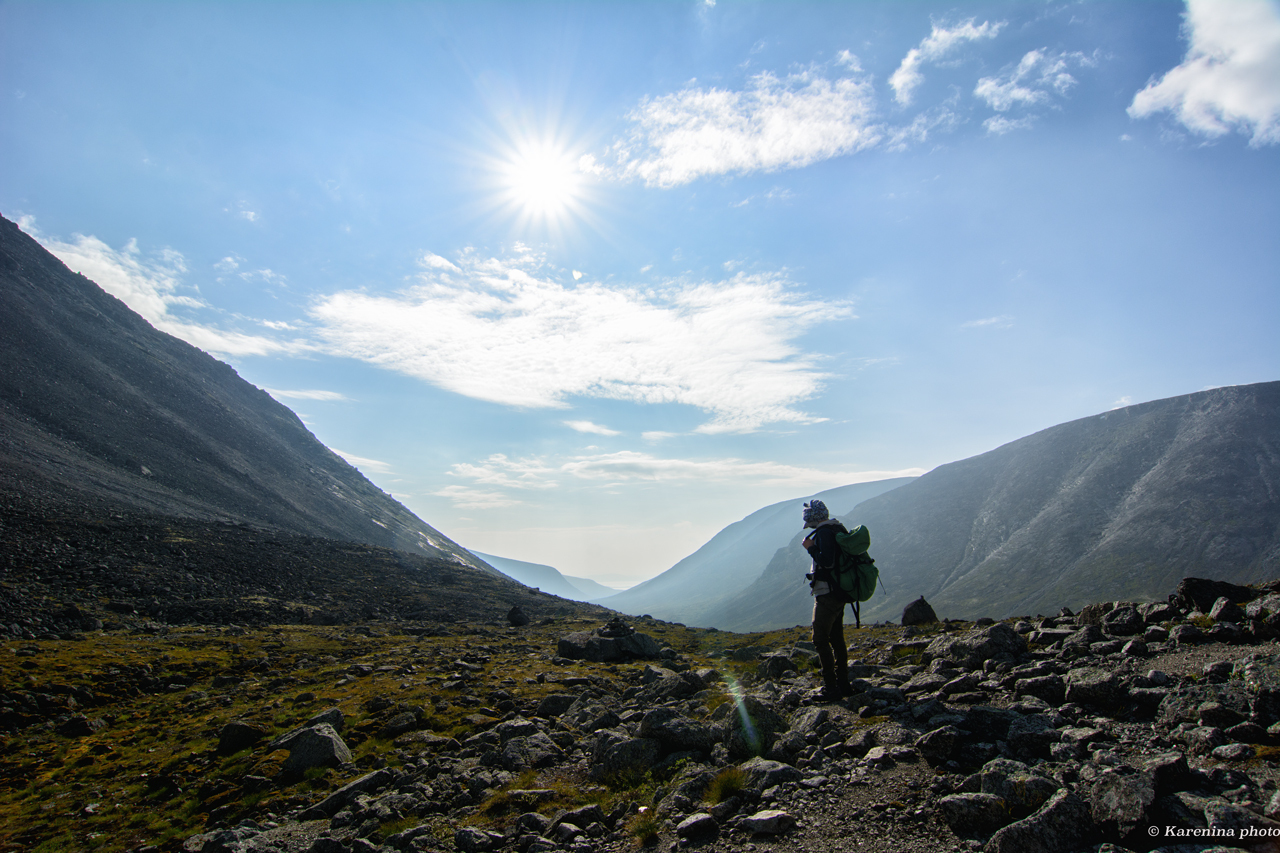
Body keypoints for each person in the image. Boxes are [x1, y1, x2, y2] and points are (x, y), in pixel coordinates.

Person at [801, 499, 853, 701]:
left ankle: (831, 688)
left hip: (827, 593)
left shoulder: (823, 533)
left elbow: (827, 562)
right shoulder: (836, 528)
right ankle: (844, 684)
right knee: (837, 637)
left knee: (820, 639)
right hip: (839, 592)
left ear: (814, 519)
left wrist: (811, 548)